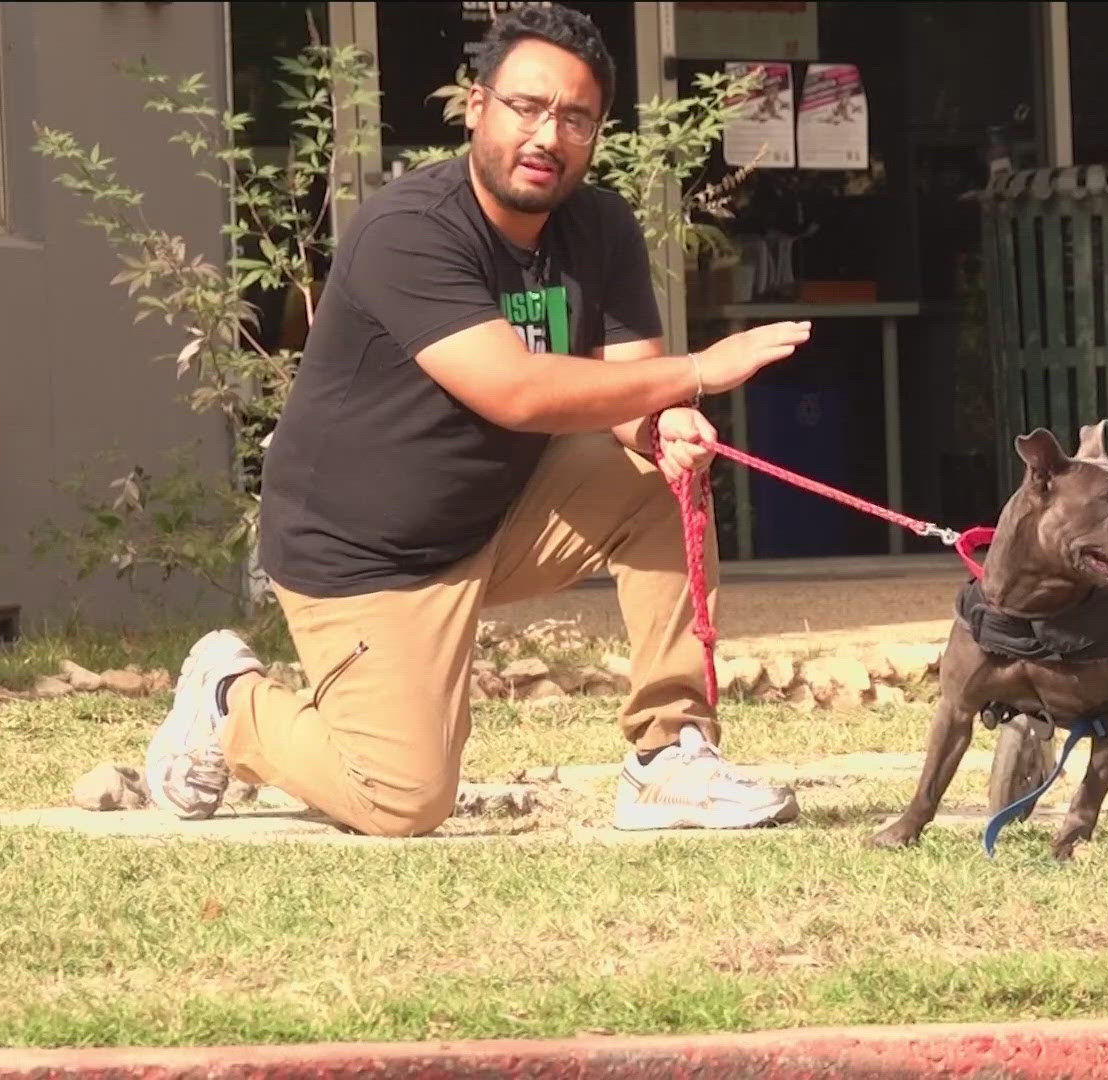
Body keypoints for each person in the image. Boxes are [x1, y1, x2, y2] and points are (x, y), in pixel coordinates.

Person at [142, 4, 812, 837]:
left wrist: (662, 425)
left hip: (497, 518)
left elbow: (632, 388)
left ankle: (666, 755)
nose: (547, 136)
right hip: (364, 556)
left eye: (574, 117)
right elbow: (515, 392)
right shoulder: (409, 230)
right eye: (527, 107)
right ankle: (229, 701)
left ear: (596, 133)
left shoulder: (598, 225)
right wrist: (702, 372)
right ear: (475, 105)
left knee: (667, 473)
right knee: (403, 798)